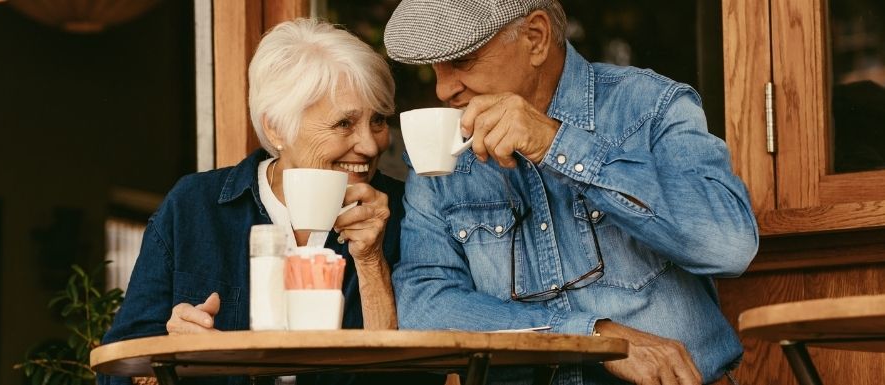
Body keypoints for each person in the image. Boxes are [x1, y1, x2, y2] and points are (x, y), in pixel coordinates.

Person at [382, 1, 759, 384]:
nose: (444, 89)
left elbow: (729, 246)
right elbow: (424, 309)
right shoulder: (443, 155)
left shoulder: (649, 107)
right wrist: (588, 335)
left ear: (536, 38)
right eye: (435, 67)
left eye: (462, 61)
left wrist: (555, 144)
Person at [98, 18, 413, 385]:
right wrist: (172, 355)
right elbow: (117, 370)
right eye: (344, 123)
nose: (372, 144)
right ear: (277, 127)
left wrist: (371, 262)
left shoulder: (405, 211)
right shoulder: (195, 206)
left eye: (378, 121)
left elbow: (415, 377)